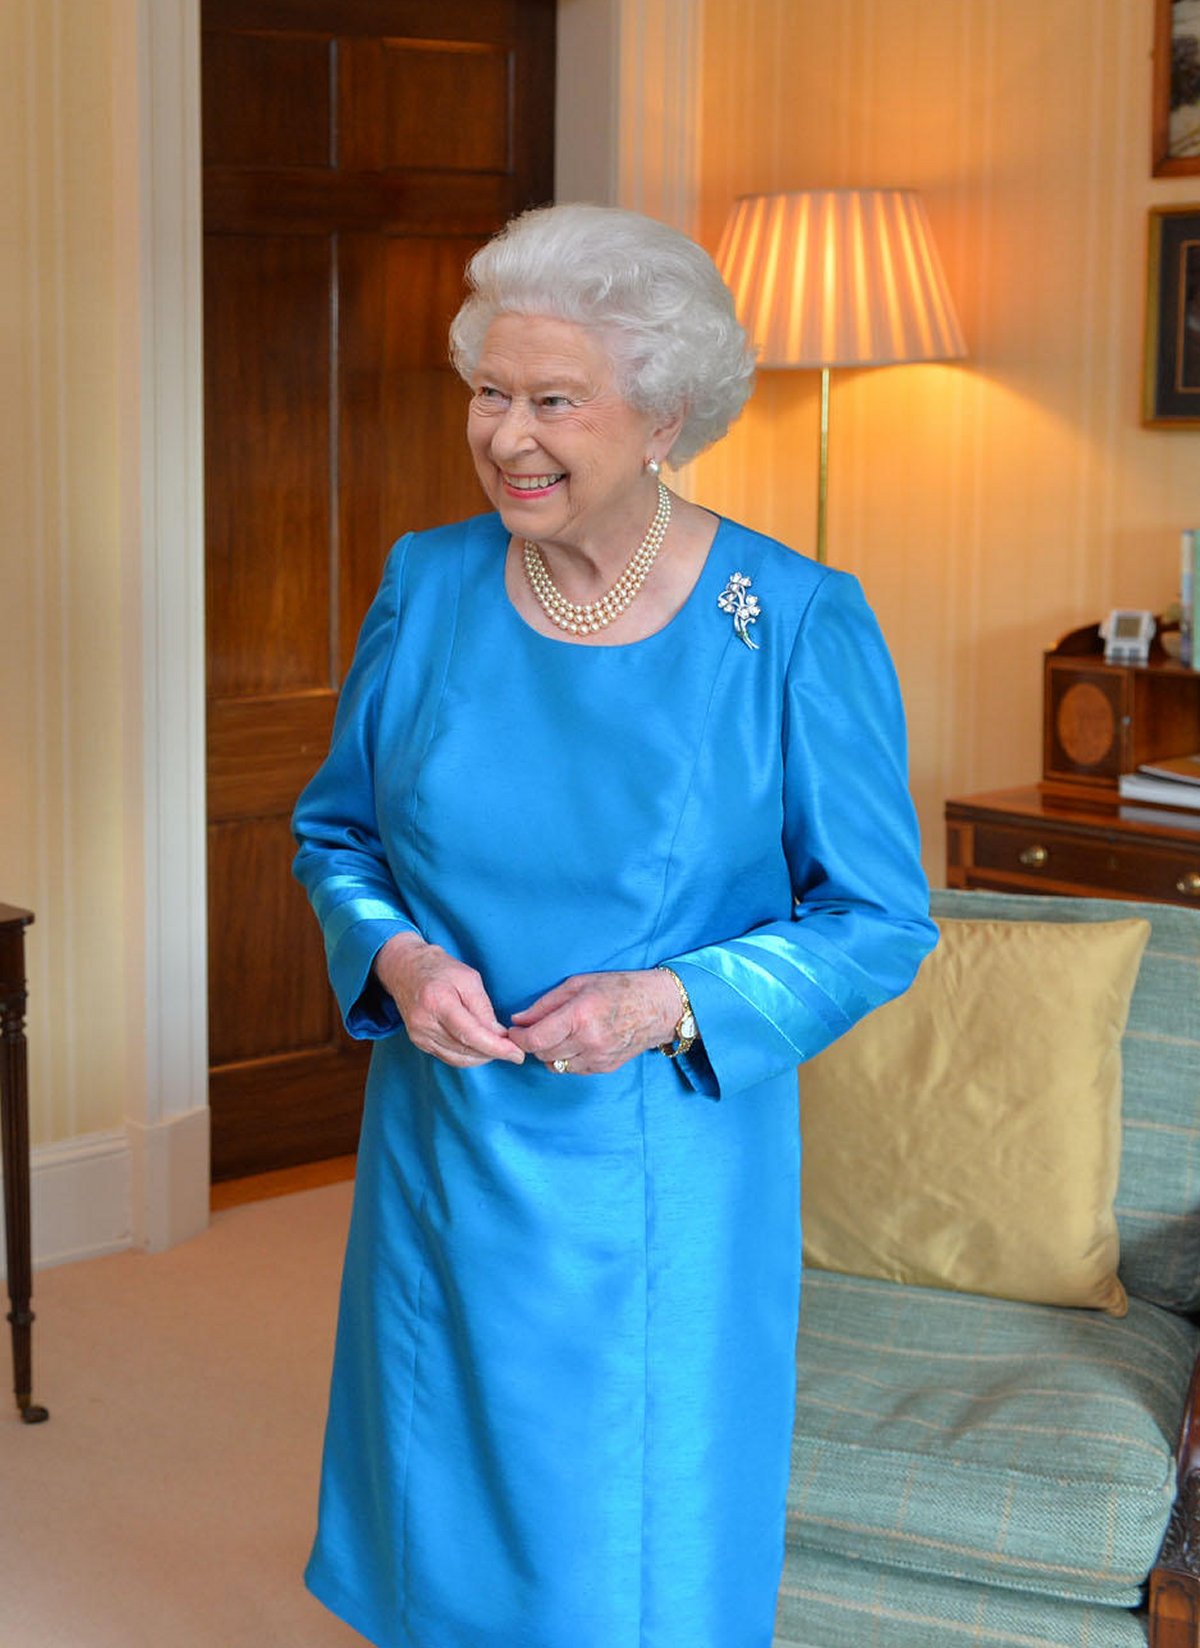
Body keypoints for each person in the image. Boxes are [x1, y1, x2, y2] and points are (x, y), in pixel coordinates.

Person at [292, 201, 937, 1648]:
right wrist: (395, 958)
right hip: (444, 1140)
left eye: (553, 401)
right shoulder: (429, 580)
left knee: (623, 1562)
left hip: (663, 1173)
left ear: (666, 418)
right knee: (436, 1529)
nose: (506, 436)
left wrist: (668, 1001)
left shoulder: (795, 621)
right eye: (489, 393)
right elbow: (338, 833)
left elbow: (877, 918)